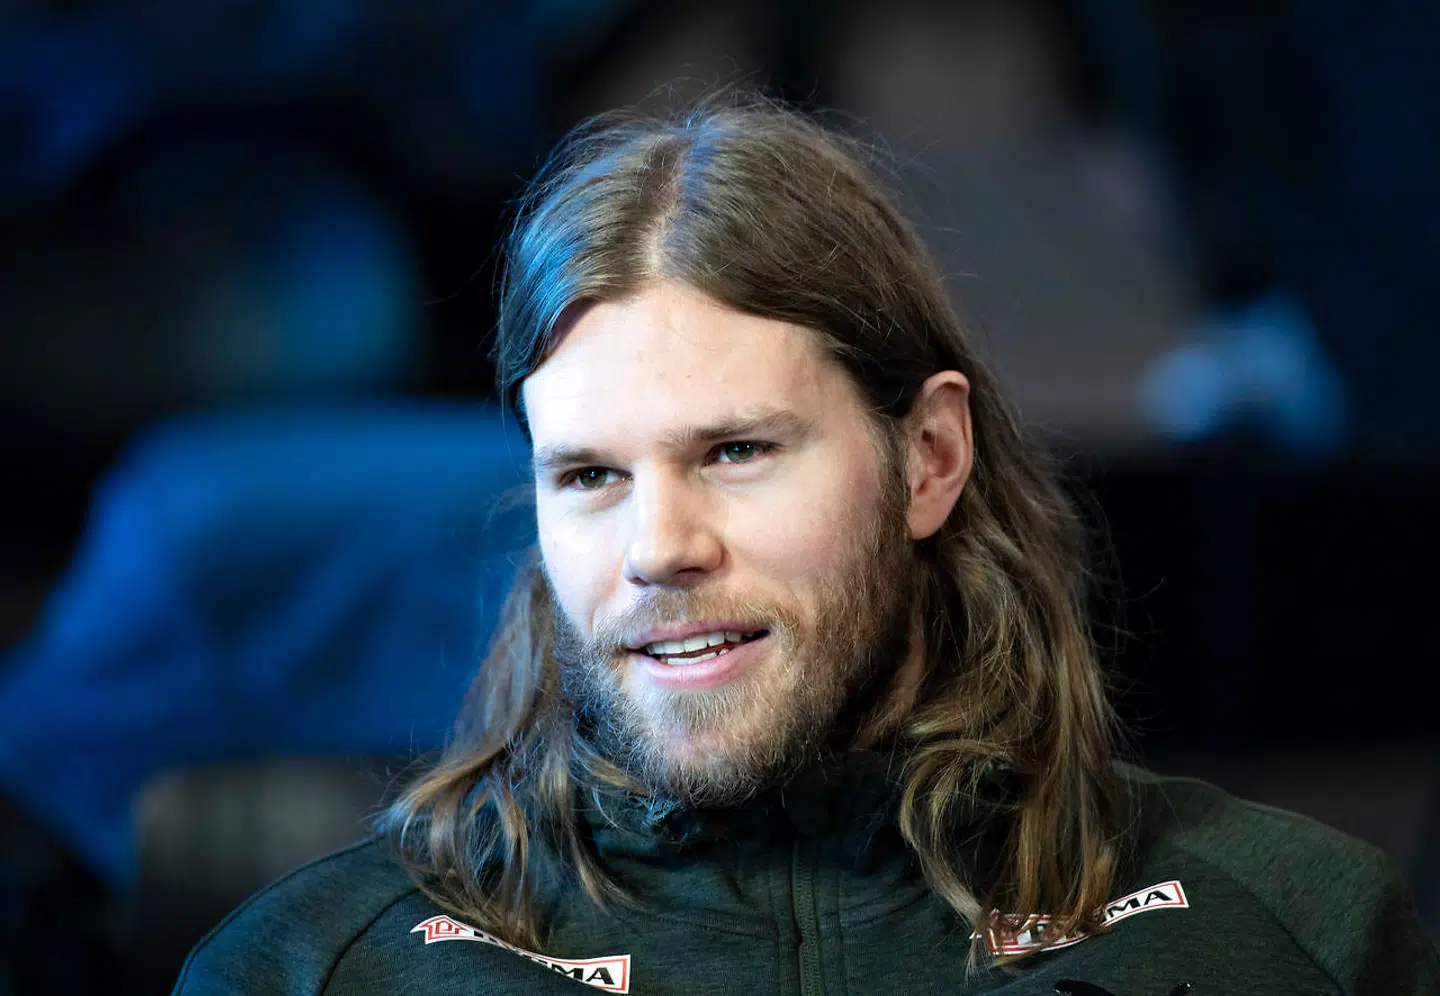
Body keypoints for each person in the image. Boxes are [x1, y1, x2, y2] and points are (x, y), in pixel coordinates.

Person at [173, 97, 1440, 996]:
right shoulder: (308, 970)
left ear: (930, 459)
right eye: (593, 476)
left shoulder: (1299, 935)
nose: (658, 545)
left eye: (736, 452)